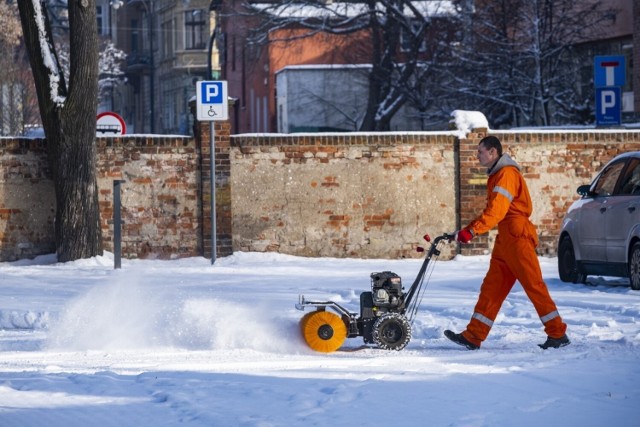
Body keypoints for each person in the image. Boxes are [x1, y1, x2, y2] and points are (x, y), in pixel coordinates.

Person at [445, 136, 570, 350]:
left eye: (480, 151)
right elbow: (492, 212)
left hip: (517, 235)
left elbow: (497, 211)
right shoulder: (497, 175)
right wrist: (466, 231)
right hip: (507, 237)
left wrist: (473, 231)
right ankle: (474, 335)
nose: (477, 155)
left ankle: (557, 333)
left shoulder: (506, 175)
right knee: (492, 287)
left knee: (534, 285)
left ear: (493, 152)